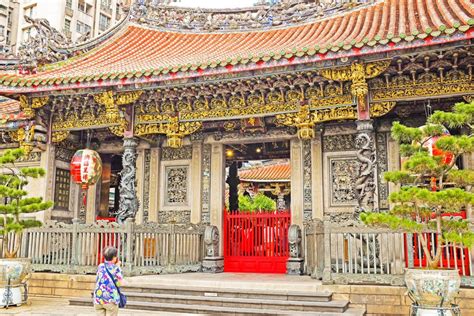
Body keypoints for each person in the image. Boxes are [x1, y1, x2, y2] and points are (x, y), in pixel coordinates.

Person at [93, 246, 124, 316]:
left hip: (98, 298)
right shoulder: (116, 268)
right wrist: (118, 266)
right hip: (110, 299)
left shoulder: (100, 266)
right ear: (114, 257)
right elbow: (120, 283)